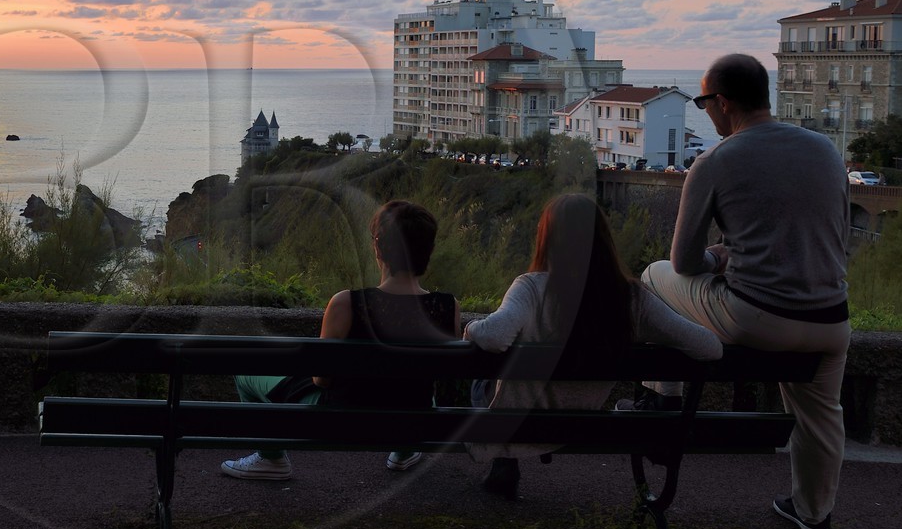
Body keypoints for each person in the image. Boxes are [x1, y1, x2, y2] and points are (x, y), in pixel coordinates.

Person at [639, 52, 851, 529]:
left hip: (756, 317)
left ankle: (662, 399)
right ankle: (814, 514)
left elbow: (684, 264)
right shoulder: (824, 150)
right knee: (822, 414)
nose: (704, 111)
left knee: (653, 276)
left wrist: (720, 257)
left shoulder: (716, 160)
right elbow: (834, 237)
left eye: (703, 101)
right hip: (830, 321)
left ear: (723, 102)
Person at [463, 193, 721, 497]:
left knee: (481, 384)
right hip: (582, 423)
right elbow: (710, 348)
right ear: (604, 240)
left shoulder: (531, 287)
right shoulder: (632, 299)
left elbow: (494, 337)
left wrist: (470, 328)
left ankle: (505, 460)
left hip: (521, 422)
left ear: (547, 239)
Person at [220, 199, 460, 480]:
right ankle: (404, 452)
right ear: (428, 250)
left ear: (378, 246)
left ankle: (270, 458)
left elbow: (322, 380)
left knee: (246, 372)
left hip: (341, 421)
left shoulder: (346, 303)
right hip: (414, 421)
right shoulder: (447, 306)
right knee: (414, 389)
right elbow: (442, 374)